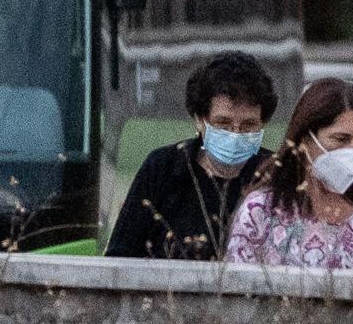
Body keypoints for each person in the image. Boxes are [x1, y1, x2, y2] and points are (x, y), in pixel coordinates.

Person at [105, 52, 276, 260]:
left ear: (262, 124)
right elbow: (120, 253)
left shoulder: (275, 174)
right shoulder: (164, 168)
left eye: (248, 125)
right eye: (223, 124)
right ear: (199, 120)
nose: (236, 134)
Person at [224, 78, 353, 270]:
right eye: (340, 139)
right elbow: (236, 287)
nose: (352, 151)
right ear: (306, 138)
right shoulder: (261, 209)